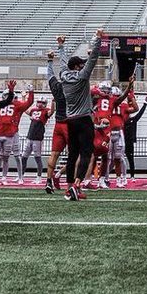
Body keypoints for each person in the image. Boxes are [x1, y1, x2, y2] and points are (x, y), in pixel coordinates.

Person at [47, 29, 104, 202]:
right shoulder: (82, 77)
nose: (82, 65)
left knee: (72, 154)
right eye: (80, 64)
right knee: (86, 153)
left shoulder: (64, 75)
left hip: (70, 120)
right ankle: (77, 184)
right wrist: (97, 39)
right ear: (77, 66)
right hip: (84, 119)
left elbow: (64, 62)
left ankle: (69, 187)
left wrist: (61, 46)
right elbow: (93, 59)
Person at [18, 96, 53, 184]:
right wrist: (23, 98)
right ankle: (21, 175)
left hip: (38, 138)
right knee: (24, 157)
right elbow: (25, 109)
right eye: (39, 102)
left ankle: (39, 177)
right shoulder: (33, 110)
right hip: (29, 137)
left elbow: (52, 112)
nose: (40, 104)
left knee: (37, 158)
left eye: (42, 102)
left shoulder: (46, 111)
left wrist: (53, 102)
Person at [124, 97, 147, 179]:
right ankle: (120, 175)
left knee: (131, 159)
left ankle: (132, 175)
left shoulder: (133, 120)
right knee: (119, 159)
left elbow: (140, 113)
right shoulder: (122, 120)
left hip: (129, 142)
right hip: (122, 141)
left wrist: (145, 104)